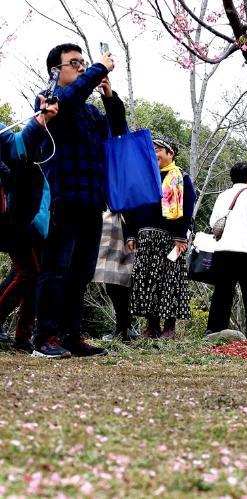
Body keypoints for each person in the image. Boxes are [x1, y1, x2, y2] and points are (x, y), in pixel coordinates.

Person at [32, 43, 127, 359]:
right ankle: (43, 337)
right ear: (56, 71)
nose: (83, 68)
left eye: (84, 63)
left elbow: (118, 132)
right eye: (74, 63)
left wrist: (110, 98)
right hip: (62, 197)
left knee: (81, 274)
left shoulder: (90, 111)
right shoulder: (50, 101)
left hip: (91, 201)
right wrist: (101, 67)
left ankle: (72, 335)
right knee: (54, 270)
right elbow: (69, 101)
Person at [0, 98, 58, 353]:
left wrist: (41, 120)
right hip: (14, 212)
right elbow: (16, 150)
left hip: (27, 211)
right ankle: (22, 335)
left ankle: (23, 336)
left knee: (33, 274)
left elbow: (18, 146)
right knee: (28, 273)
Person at [126, 137, 195, 339]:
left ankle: (169, 327)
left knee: (169, 280)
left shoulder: (181, 177)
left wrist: (181, 236)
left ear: (170, 153)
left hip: (170, 238)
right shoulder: (144, 177)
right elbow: (133, 206)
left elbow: (188, 207)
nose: (153, 153)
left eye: (157, 149)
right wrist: (131, 233)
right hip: (145, 236)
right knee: (147, 280)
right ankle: (152, 326)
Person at [206, 161, 247, 338]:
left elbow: (213, 223)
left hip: (223, 251)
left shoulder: (222, 196)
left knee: (222, 293)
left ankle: (214, 331)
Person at [93, 210, 139, 342]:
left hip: (123, 224)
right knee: (110, 279)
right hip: (106, 222)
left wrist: (131, 233)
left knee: (121, 279)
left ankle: (124, 328)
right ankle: (123, 327)